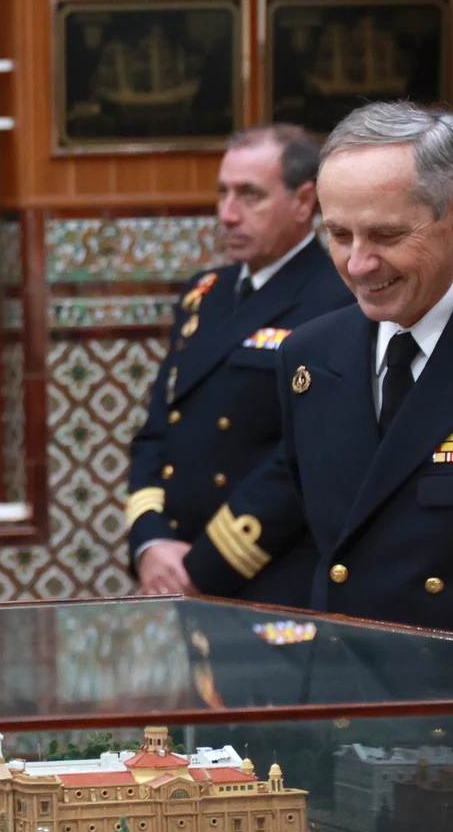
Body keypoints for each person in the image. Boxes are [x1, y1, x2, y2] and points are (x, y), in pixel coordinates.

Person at [184, 102, 453, 650]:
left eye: (386, 235)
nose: (359, 264)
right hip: (350, 708)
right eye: (339, 235)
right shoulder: (308, 359)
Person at [128, 124, 352, 606]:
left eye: (250, 195)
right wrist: (150, 543)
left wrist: (204, 567)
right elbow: (156, 432)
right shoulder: (203, 294)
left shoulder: (339, 298)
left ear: (303, 201)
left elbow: (309, 455)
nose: (228, 215)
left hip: (273, 576)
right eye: (222, 193)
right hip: (176, 569)